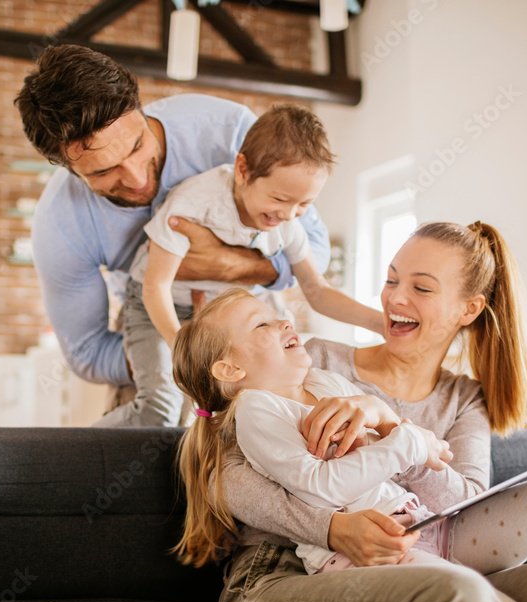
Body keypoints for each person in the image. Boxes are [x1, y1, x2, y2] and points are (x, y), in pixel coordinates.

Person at [170, 222, 527, 602]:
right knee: (456, 594)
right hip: (284, 565)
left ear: (468, 310)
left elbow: (460, 503)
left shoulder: (464, 398)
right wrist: (332, 528)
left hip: (415, 546)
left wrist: (389, 423)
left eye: (421, 287)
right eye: (391, 280)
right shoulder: (316, 360)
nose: (394, 298)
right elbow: (224, 469)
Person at [14, 45, 331, 416]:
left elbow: (315, 252)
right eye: (102, 172)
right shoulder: (62, 225)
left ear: (140, 106)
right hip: (147, 331)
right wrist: (176, 355)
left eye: (137, 145)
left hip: (255, 326)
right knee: (151, 435)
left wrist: (228, 267)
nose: (135, 178)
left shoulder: (228, 134)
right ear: (66, 167)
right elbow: (87, 354)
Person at [109, 104, 384, 427]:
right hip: (157, 303)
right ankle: (77, 448)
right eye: (280, 199)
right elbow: (155, 288)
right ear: (242, 170)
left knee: (238, 403)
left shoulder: (288, 224)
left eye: (305, 205)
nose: (289, 214)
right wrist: (183, 348)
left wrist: (380, 324)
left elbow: (317, 291)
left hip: (219, 313)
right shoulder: (196, 203)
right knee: (161, 407)